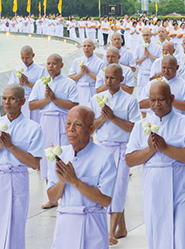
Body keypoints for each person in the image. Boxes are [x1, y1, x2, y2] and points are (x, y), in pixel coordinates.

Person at [126, 81, 185, 249]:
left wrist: (165, 148)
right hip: (154, 186)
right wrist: (151, 150)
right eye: (152, 100)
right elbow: (130, 159)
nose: (156, 105)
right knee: (157, 231)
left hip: (180, 185)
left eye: (161, 99)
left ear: (172, 98)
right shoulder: (140, 126)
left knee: (182, 234)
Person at [0, 85, 43, 249]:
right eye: (4, 98)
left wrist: (11, 147)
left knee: (16, 221)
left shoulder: (33, 128)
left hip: (18, 177)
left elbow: (35, 163)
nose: (7, 103)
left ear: (22, 101)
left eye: (12, 99)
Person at [47, 106, 117, 249]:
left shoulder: (104, 157)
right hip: (65, 225)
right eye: (68, 123)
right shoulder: (59, 155)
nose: (71, 129)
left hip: (91, 225)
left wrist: (75, 181)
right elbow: (52, 198)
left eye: (78, 124)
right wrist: (63, 181)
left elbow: (105, 200)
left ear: (91, 130)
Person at [90, 64, 140, 245]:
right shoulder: (96, 99)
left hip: (121, 148)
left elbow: (135, 128)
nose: (109, 82)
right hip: (102, 148)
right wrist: (103, 118)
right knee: (105, 188)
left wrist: (113, 118)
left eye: (112, 78)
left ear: (121, 80)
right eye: (106, 78)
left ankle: (110, 231)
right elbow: (90, 127)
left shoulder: (129, 101)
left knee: (118, 188)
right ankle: (122, 227)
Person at [28, 54, 79, 207]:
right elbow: (31, 105)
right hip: (46, 122)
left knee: (64, 156)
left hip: (63, 121)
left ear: (61, 65)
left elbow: (74, 105)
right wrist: (46, 99)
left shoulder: (69, 83)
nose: (51, 66)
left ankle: (69, 193)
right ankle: (51, 197)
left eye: (54, 63)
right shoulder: (39, 84)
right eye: (48, 63)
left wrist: (55, 99)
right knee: (47, 158)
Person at [7, 45, 48, 122]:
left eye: (27, 58)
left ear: (33, 55)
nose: (25, 60)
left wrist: (28, 83)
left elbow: (43, 89)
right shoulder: (16, 69)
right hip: (20, 102)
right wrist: (20, 84)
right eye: (22, 58)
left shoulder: (41, 70)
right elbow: (10, 89)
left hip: (35, 101)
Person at [68, 40, 105, 106]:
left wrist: (88, 72)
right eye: (84, 46)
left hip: (92, 89)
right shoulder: (77, 61)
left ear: (94, 48)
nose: (86, 48)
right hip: (80, 90)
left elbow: (102, 79)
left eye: (89, 46)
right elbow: (71, 78)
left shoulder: (100, 62)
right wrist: (81, 73)